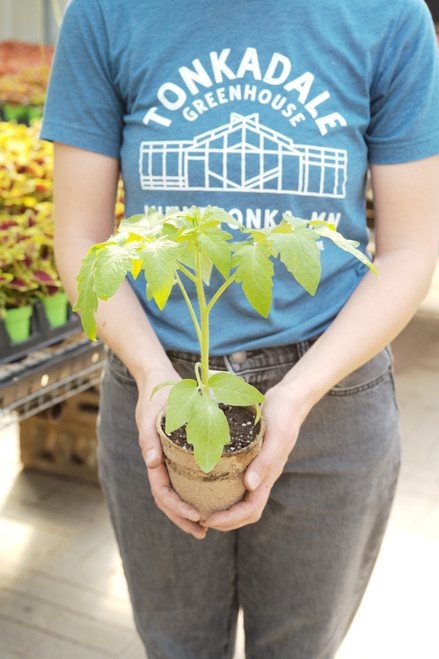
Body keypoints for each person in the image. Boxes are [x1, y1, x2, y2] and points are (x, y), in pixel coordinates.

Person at [41, 1, 439, 657]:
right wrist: (151, 374)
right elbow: (81, 238)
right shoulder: (108, 12)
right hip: (163, 383)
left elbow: (407, 250)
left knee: (299, 646)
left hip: (330, 392)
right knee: (177, 644)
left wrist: (297, 391)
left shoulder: (386, 15)